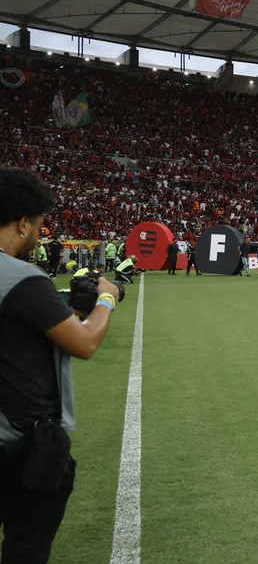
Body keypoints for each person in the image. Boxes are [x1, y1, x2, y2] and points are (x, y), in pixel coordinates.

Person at [0, 167, 120, 564]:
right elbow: (83, 343)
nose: (39, 234)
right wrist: (106, 299)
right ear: (21, 223)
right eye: (37, 224)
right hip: (18, 442)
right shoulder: (22, 277)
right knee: (26, 547)